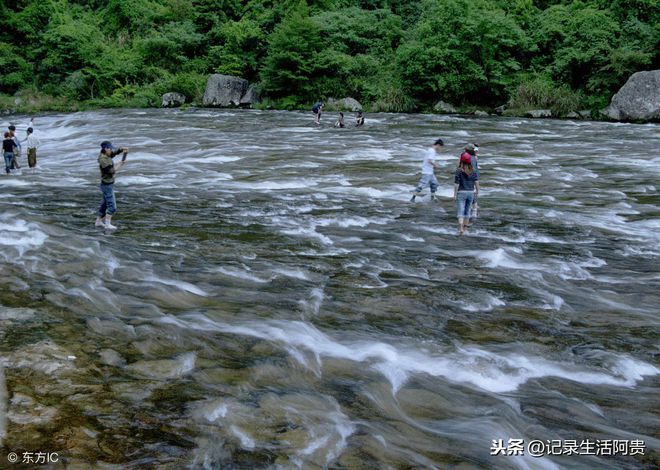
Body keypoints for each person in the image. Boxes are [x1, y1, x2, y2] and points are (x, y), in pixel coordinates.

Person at [95, 141, 129, 230]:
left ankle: (98, 222)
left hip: (107, 184)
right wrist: (121, 164)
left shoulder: (106, 155)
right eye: (110, 148)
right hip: (106, 185)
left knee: (105, 204)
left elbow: (113, 154)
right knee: (112, 206)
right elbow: (112, 171)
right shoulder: (103, 160)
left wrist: (121, 150)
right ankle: (107, 224)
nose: (111, 150)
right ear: (106, 149)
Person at [453, 152, 480, 235]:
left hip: (461, 192)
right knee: (467, 211)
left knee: (460, 210)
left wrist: (454, 194)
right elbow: (476, 182)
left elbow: (456, 184)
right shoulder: (473, 170)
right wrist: (478, 192)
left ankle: (460, 227)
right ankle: (464, 229)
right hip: (471, 192)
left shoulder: (459, 171)